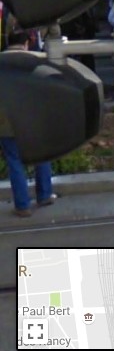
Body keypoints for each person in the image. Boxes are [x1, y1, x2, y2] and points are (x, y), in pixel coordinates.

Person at [0, 30, 54, 217]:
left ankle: (22, 205)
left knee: (14, 161)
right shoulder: (37, 61)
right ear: (27, 43)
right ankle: (44, 195)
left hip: (6, 121)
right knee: (42, 155)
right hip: (33, 119)